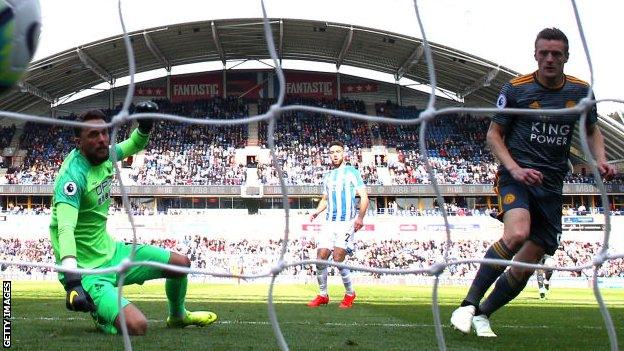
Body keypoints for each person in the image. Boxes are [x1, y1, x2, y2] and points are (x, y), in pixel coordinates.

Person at [450, 28, 616, 337]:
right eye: (544, 53)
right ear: (535, 54)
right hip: (518, 176)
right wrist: (514, 169)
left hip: (552, 186)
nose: (550, 59)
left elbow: (592, 130)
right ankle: (468, 304)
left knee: (528, 262)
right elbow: (493, 135)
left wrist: (600, 159)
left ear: (566, 57)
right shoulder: (516, 89)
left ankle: (483, 314)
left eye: (557, 54)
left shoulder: (581, 92)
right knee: (517, 233)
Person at [49, 102, 217, 335]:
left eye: (105, 132)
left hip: (113, 253)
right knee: (138, 326)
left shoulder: (106, 155)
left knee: (181, 264)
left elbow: (135, 143)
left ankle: (177, 316)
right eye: (93, 135)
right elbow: (65, 229)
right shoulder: (72, 178)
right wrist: (72, 281)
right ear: (79, 142)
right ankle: (100, 313)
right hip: (87, 271)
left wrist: (145, 125)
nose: (102, 139)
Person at [307, 141, 369, 309]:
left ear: (343, 154)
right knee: (320, 259)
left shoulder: (352, 172)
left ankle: (350, 294)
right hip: (329, 222)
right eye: (332, 152)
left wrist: (360, 218)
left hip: (346, 223)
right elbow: (325, 200)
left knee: (338, 258)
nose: (334, 155)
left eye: (338, 152)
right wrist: (315, 212)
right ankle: (322, 295)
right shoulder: (327, 176)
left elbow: (364, 197)